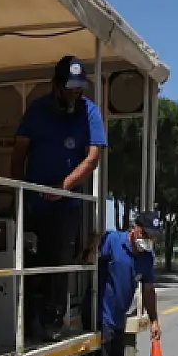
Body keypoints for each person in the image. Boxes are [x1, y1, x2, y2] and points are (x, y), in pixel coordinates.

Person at [11, 55, 107, 340]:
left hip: (66, 206)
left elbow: (93, 158)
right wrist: (17, 193)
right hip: (33, 204)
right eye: (69, 87)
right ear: (55, 85)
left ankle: (53, 322)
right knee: (30, 263)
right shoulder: (37, 111)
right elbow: (18, 154)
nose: (75, 93)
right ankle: (26, 321)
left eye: (79, 88)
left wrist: (63, 186)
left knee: (59, 264)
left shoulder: (89, 112)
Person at [93, 212, 162, 356]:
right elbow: (91, 261)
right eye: (146, 234)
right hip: (100, 315)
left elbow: (148, 290)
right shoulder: (113, 241)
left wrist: (154, 320)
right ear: (134, 229)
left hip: (119, 317)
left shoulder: (146, 257)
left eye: (153, 237)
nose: (149, 240)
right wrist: (92, 246)